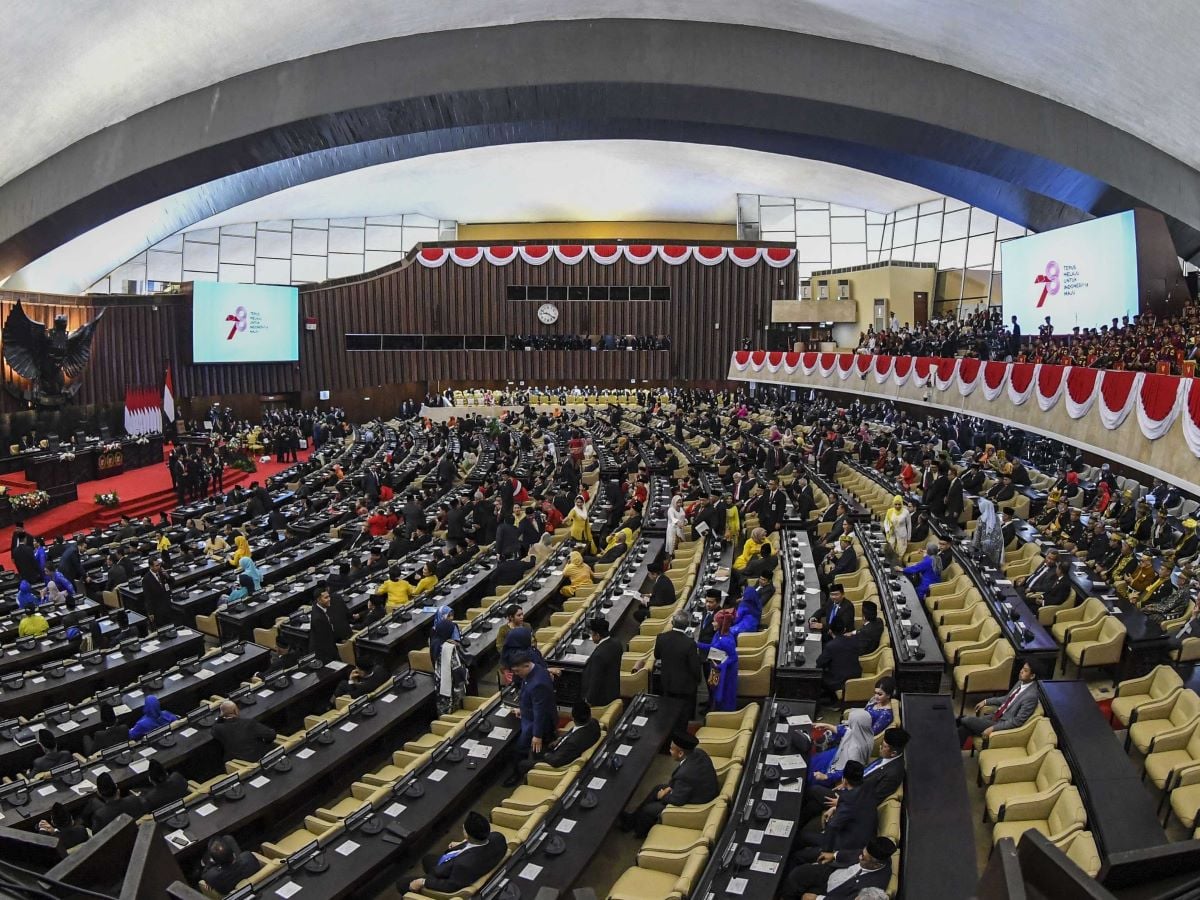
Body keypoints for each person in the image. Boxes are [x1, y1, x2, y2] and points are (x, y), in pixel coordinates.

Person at [619, 731, 719, 838]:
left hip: (697, 802)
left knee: (649, 809)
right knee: (658, 788)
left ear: (680, 753)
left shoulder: (685, 774)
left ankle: (640, 832)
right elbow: (682, 781)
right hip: (697, 790)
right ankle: (631, 820)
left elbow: (678, 800)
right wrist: (670, 788)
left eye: (671, 749)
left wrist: (663, 796)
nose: (669, 751)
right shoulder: (699, 753)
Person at [809, 678, 897, 779]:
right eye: (875, 693)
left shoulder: (886, 714)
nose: (876, 696)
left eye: (880, 694)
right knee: (825, 734)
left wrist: (847, 728)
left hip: (860, 737)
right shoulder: (874, 700)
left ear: (888, 695)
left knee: (830, 736)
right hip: (856, 728)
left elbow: (870, 733)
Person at [632, 611, 702, 733]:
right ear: (686, 626)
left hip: (667, 682)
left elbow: (657, 655)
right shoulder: (690, 643)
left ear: (673, 623)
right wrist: (698, 679)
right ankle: (680, 733)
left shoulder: (661, 637)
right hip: (685, 686)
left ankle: (667, 732)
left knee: (667, 711)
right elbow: (694, 666)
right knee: (683, 715)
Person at [407, 811, 507, 895]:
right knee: (427, 859)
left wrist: (423, 882)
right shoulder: (499, 838)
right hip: (458, 864)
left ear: (468, 835)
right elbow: (482, 841)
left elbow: (450, 886)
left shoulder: (463, 865)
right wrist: (464, 843)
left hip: (447, 874)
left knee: (403, 884)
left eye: (464, 829)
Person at [781, 835, 897, 900]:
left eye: (863, 858)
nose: (859, 857)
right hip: (833, 872)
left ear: (876, 864)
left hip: (833, 892)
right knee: (799, 873)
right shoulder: (879, 855)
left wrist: (818, 899)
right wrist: (834, 855)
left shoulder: (873, 887)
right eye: (862, 853)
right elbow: (854, 853)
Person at [957, 659, 1040, 748]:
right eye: (1022, 668)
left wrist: (993, 728)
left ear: (1032, 676)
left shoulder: (1031, 696)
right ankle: (953, 751)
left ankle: (955, 722)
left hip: (1002, 723)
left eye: (1025, 670)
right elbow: (1006, 699)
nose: (1021, 671)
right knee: (964, 728)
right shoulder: (1021, 682)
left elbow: (1017, 721)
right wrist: (986, 701)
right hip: (996, 716)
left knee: (967, 720)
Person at [505, 651, 558, 786]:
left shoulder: (538, 683)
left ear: (526, 665)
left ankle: (521, 775)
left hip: (536, 723)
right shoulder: (535, 670)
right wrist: (522, 710)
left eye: (517, 671)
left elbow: (540, 711)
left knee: (522, 748)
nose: (516, 674)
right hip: (529, 716)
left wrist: (537, 735)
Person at [516, 701, 600, 778]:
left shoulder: (572, 743)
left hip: (555, 759)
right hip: (561, 748)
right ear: (589, 715)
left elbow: (555, 761)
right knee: (534, 749)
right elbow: (572, 733)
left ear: (573, 718)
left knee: (523, 763)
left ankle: (531, 775)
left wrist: (546, 755)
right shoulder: (594, 723)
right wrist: (559, 740)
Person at [212, 700, 277, 762]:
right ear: (236, 711)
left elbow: (214, 729)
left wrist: (220, 717)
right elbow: (271, 735)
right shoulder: (249, 723)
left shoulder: (218, 728)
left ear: (222, 713)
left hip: (238, 762)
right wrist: (265, 740)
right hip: (258, 757)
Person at [816, 620, 862, 702]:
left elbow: (819, 663)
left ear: (830, 631)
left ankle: (830, 699)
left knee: (817, 675)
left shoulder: (831, 646)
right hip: (856, 675)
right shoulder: (854, 640)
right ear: (844, 629)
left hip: (840, 681)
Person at [580, 617, 622, 707]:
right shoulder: (617, 644)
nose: (591, 636)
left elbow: (595, 680)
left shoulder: (598, 656)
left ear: (598, 635)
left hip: (601, 699)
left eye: (592, 634)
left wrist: (588, 700)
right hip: (614, 691)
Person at [706, 608, 739, 712]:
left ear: (720, 624)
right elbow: (712, 647)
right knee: (715, 693)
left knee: (724, 696)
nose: (712, 623)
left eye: (715, 621)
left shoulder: (726, 640)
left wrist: (721, 666)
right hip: (716, 667)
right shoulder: (718, 634)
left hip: (725, 672)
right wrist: (697, 644)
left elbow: (734, 658)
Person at [309, 581, 350, 662]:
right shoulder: (318, 618)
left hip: (330, 644)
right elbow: (325, 640)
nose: (329, 599)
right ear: (319, 600)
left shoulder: (320, 608)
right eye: (326, 598)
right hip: (323, 653)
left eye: (328, 596)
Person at [970, 497, 1005, 567]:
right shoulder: (996, 517)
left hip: (985, 546)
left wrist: (974, 547)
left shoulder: (981, 518)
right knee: (993, 566)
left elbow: (977, 535)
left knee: (984, 565)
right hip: (997, 545)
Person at [140, 555, 173, 626]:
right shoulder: (146, 579)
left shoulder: (162, 572)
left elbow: (172, 582)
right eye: (157, 565)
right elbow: (148, 597)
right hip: (158, 609)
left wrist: (167, 575)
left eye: (159, 564)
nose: (159, 567)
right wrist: (150, 612)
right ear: (151, 567)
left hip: (167, 604)